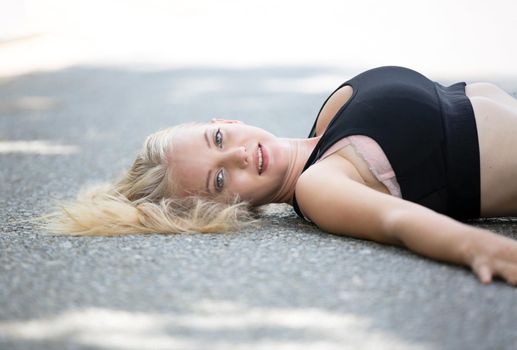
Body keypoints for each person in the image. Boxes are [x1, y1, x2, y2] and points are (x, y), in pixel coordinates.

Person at [45, 66, 517, 286]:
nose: (239, 157)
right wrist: (480, 248)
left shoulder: (332, 116)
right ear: (223, 208)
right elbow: (398, 222)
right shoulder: (319, 185)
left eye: (218, 141)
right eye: (220, 182)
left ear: (225, 121)